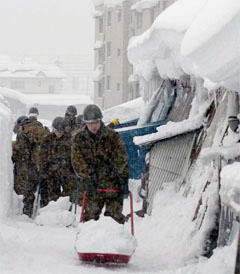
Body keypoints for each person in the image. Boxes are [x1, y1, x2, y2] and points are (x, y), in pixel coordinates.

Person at [71, 104, 129, 224]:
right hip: (92, 184)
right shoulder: (79, 139)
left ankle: (117, 241)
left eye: (96, 122)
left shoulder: (112, 136)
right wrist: (87, 175)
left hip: (112, 182)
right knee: (90, 218)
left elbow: (122, 157)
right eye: (90, 123)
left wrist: (117, 173)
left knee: (114, 218)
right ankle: (88, 241)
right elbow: (77, 160)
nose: (93, 126)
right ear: (85, 123)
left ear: (100, 121)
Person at [13, 115, 48, 217]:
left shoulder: (25, 132)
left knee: (29, 191)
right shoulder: (39, 129)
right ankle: (45, 212)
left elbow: (24, 151)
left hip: (32, 166)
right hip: (43, 165)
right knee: (43, 191)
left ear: (22, 125)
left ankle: (27, 214)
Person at [39, 117, 77, 203]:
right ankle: (52, 212)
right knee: (52, 196)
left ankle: (66, 212)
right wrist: (43, 170)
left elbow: (74, 156)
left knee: (68, 196)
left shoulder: (70, 139)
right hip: (51, 172)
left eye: (61, 131)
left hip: (67, 172)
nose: (59, 133)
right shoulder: (47, 139)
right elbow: (42, 157)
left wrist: (75, 170)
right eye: (57, 130)